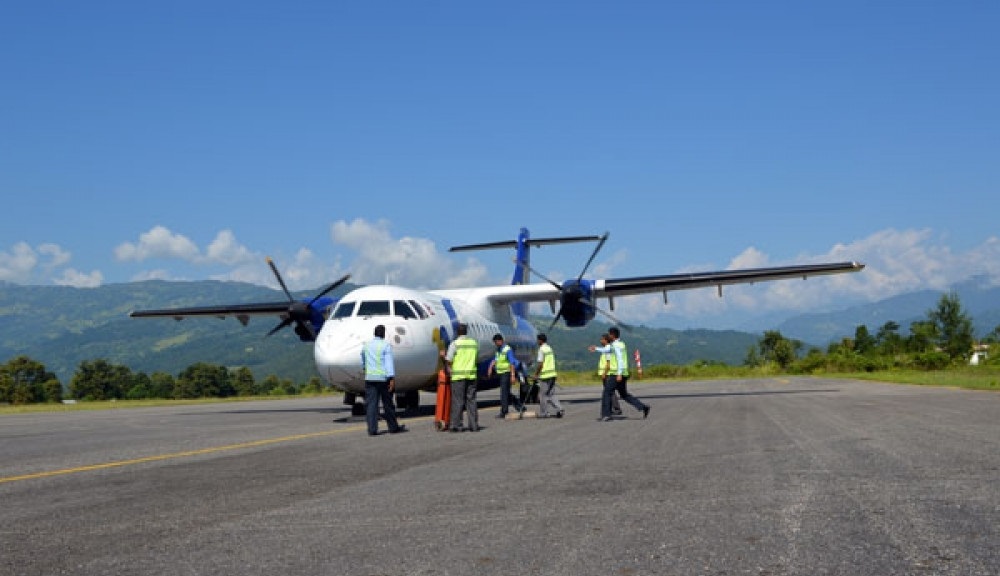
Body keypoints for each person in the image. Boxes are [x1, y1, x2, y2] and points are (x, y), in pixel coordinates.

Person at [360, 324, 406, 436]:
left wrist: (366, 368)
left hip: (370, 379)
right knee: (388, 404)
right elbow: (388, 363)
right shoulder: (385, 345)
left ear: (374, 333)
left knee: (371, 405)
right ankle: (393, 427)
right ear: (383, 334)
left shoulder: (366, 346)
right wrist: (391, 378)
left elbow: (362, 358)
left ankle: (372, 429)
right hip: (383, 379)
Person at [601, 326, 650, 421]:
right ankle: (643, 407)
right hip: (623, 373)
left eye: (609, 334)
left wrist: (618, 374)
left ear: (612, 335)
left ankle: (606, 414)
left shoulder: (616, 346)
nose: (608, 336)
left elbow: (619, 360)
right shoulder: (621, 344)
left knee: (607, 392)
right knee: (624, 395)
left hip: (616, 373)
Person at [444, 323, 480, 432]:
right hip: (471, 376)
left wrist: (448, 368)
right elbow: (476, 358)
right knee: (471, 401)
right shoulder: (474, 343)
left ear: (457, 332)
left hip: (458, 377)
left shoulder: (455, 344)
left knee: (458, 401)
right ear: (466, 332)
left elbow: (449, 360)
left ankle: (457, 425)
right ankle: (473, 425)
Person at [487, 333, 523, 419]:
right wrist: (490, 367)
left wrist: (513, 375)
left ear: (500, 341)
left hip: (506, 373)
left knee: (504, 393)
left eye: (496, 342)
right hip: (501, 373)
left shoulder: (507, 349)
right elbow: (495, 359)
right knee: (506, 393)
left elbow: (512, 363)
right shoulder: (498, 350)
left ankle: (504, 412)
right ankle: (520, 407)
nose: (495, 344)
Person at [589, 333, 622, 415]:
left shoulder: (608, 350)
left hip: (607, 374)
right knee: (609, 392)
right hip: (606, 373)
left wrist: (605, 373)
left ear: (606, 340)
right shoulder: (605, 349)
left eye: (602, 339)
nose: (600, 341)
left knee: (609, 392)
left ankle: (616, 408)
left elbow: (608, 363)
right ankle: (612, 408)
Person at [533, 333, 564, 418]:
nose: (537, 341)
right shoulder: (549, 348)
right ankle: (559, 408)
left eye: (538, 340)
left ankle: (544, 413)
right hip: (552, 374)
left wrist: (536, 374)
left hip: (545, 375)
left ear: (540, 340)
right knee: (551, 394)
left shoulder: (541, 349)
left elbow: (540, 364)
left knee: (542, 395)